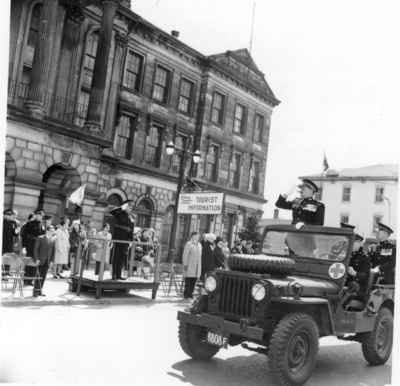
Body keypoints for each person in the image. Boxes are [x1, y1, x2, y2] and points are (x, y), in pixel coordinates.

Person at [342, 223, 371, 298]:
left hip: (356, 287)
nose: (354, 244)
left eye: (357, 242)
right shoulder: (344, 255)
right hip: (341, 283)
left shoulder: (364, 258)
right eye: (353, 242)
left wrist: (355, 273)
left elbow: (366, 276)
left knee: (353, 286)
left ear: (361, 244)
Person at [110, 200, 135, 280]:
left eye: (131, 207)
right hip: (118, 238)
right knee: (116, 257)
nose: (130, 208)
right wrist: (121, 207)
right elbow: (112, 212)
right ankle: (114, 274)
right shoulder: (119, 213)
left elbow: (131, 229)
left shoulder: (131, 217)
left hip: (125, 240)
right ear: (125, 206)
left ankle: (118, 275)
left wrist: (131, 240)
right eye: (128, 206)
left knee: (122, 258)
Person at [21, 209, 45, 285]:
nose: (40, 217)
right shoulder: (29, 224)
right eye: (38, 215)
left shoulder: (42, 225)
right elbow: (24, 235)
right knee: (29, 262)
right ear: (36, 215)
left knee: (35, 262)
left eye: (41, 216)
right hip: (30, 246)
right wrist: (24, 246)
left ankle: (31, 279)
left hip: (38, 248)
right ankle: (26, 279)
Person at [33, 225, 56, 297]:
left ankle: (40, 291)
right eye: (52, 231)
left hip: (47, 261)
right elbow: (36, 249)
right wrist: (36, 259)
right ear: (47, 231)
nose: (53, 232)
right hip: (40, 260)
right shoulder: (40, 238)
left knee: (43, 276)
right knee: (38, 276)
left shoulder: (53, 240)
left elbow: (53, 252)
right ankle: (35, 292)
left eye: (53, 231)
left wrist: (52, 261)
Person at [182, 232, 202, 299]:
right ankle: (186, 294)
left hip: (197, 266)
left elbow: (200, 256)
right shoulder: (189, 244)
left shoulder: (199, 245)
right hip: (190, 265)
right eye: (197, 236)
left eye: (198, 236)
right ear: (193, 236)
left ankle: (191, 294)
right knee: (188, 280)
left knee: (193, 280)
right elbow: (185, 255)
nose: (198, 237)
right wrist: (185, 264)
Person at [2, 209, 20, 275]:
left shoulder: (14, 223)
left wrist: (17, 231)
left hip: (9, 243)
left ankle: (6, 273)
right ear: (7, 215)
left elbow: (15, 234)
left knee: (8, 258)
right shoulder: (2, 221)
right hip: (2, 242)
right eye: (13, 216)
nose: (14, 218)